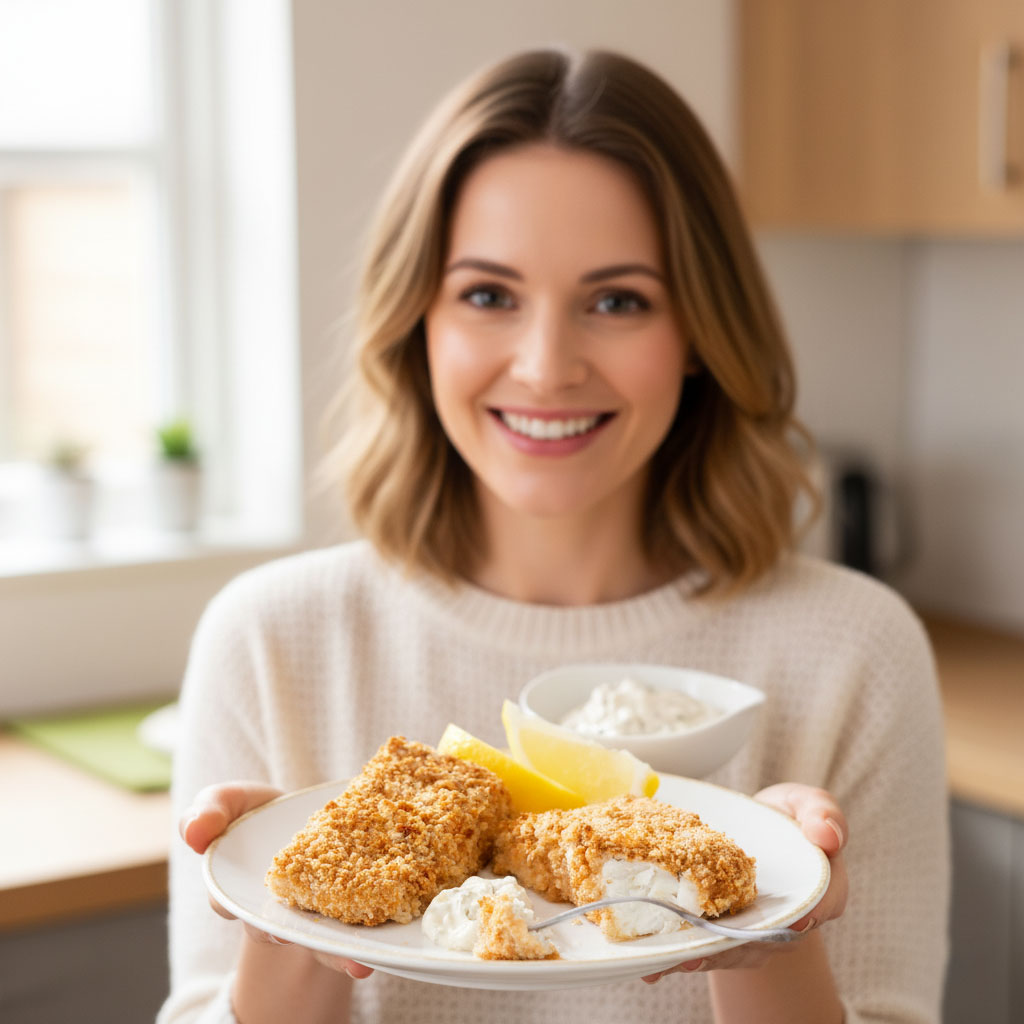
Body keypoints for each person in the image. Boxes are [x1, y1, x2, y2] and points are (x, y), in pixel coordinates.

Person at [157, 48, 949, 1024]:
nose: (544, 366)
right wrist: (291, 930)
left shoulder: (853, 649)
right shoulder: (273, 637)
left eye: (616, 301)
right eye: (488, 294)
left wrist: (769, 929)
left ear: (700, 331)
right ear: (420, 321)